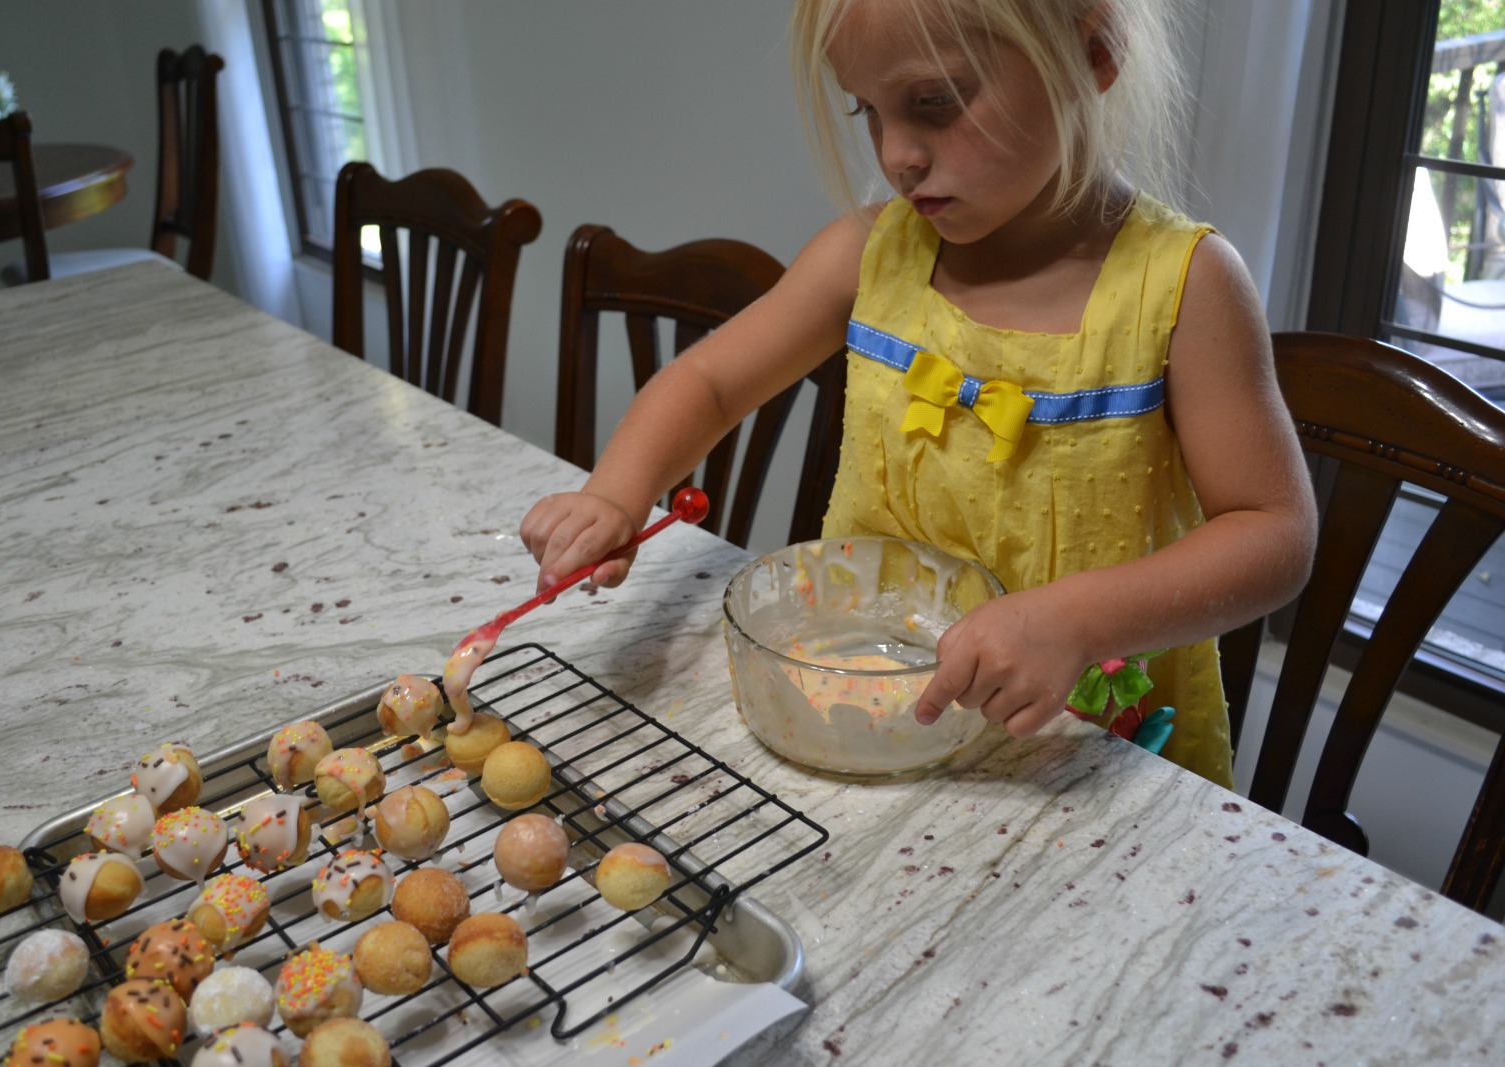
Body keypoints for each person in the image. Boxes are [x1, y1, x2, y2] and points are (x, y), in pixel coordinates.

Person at [519, 0, 1316, 787]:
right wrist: (619, 492)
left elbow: (1274, 533)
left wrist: (1076, 618)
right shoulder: (866, 255)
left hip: (1075, 762)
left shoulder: (1185, 288)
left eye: (936, 101)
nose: (897, 153)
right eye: (870, 108)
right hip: (874, 721)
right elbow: (710, 380)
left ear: (1094, 54)